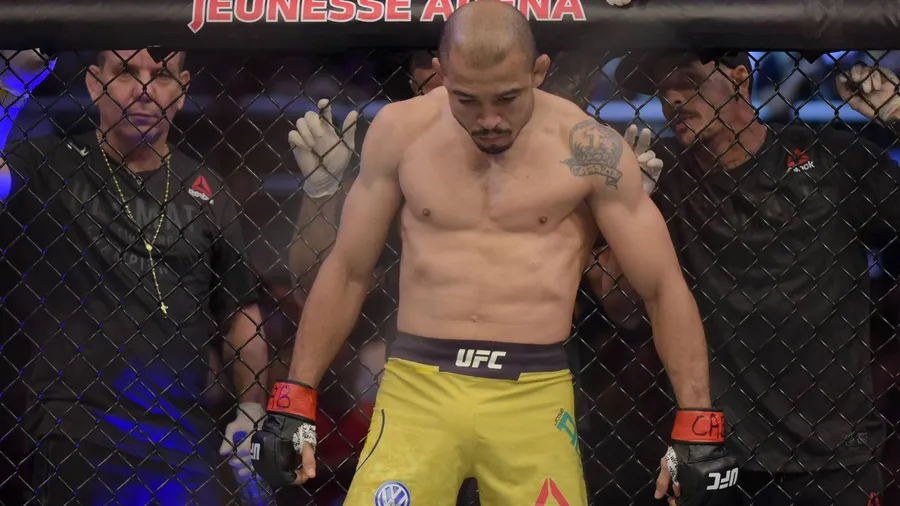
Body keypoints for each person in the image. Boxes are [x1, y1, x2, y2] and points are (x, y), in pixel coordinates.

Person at [253, 3, 737, 506]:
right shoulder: (401, 131)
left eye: (507, 98)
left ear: (538, 72)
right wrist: (294, 397)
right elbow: (348, 270)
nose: (488, 119)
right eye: (467, 99)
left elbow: (662, 288)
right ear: (442, 74)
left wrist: (697, 424)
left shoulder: (589, 148)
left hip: (533, 394)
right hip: (418, 389)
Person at [599, 50, 900, 505]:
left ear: (740, 79)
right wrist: (627, 211)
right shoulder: (661, 171)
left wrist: (898, 117)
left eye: (689, 81)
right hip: (713, 448)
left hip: (835, 449)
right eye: (662, 89)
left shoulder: (831, 157)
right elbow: (619, 308)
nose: (673, 99)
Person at [0, 48, 269, 505]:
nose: (144, 89)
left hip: (183, 439)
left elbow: (240, 311)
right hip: (75, 433)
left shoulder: (206, 188)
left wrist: (251, 409)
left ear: (182, 89)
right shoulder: (51, 163)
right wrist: (11, 90)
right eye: (126, 71)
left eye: (161, 75)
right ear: (94, 83)